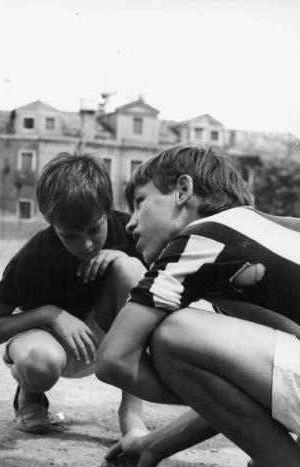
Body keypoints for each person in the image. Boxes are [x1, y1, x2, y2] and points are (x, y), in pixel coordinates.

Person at [96, 141, 300, 466]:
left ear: (182, 190)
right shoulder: (265, 233)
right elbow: (231, 396)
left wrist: (209, 390)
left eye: (139, 202)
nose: (130, 223)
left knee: (173, 333)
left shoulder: (204, 237)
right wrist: (154, 446)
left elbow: (113, 360)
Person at [0, 153, 148, 438]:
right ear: (50, 221)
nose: (87, 244)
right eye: (70, 235)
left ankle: (131, 413)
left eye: (95, 229)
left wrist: (121, 257)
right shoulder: (34, 257)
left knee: (131, 269)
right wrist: (50, 315)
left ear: (108, 209)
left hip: (109, 342)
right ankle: (30, 394)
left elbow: (174, 290)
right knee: (39, 362)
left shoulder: (132, 233)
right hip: (55, 347)